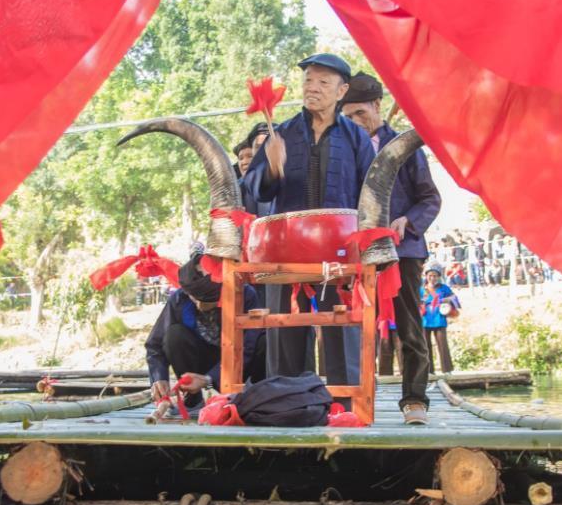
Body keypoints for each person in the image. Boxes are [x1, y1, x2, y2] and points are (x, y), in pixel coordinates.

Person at [244, 53, 375, 390]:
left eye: (323, 82)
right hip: (287, 250)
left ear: (341, 90)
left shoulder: (356, 139)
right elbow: (254, 189)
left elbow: (370, 194)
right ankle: (290, 405)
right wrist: (271, 167)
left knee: (341, 331)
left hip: (340, 253)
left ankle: (346, 406)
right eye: (308, 80)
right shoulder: (282, 133)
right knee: (286, 332)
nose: (312, 88)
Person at [341, 72, 442, 425]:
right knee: (354, 326)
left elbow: (430, 198)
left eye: (358, 114)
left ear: (376, 106)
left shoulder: (404, 146)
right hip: (358, 253)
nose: (354, 122)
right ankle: (351, 401)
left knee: (409, 327)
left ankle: (415, 401)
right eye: (347, 117)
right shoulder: (346, 150)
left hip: (405, 250)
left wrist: (408, 222)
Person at [145, 252, 265, 413]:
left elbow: (249, 346)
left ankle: (256, 398)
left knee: (264, 341)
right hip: (200, 363)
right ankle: (193, 398)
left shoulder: (245, 295)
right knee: (174, 335)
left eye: (204, 300)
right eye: (194, 298)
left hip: (238, 363)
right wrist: (158, 378)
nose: (199, 305)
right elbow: (155, 345)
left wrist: (209, 378)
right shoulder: (180, 298)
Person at [421, 263, 459, 374]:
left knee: (443, 345)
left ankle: (447, 370)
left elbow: (455, 299)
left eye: (435, 276)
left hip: (439, 319)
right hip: (425, 320)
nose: (432, 278)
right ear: (426, 276)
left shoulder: (444, 288)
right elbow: (415, 302)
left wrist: (447, 300)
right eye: (430, 275)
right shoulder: (421, 289)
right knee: (425, 347)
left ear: (439, 276)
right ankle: (428, 370)